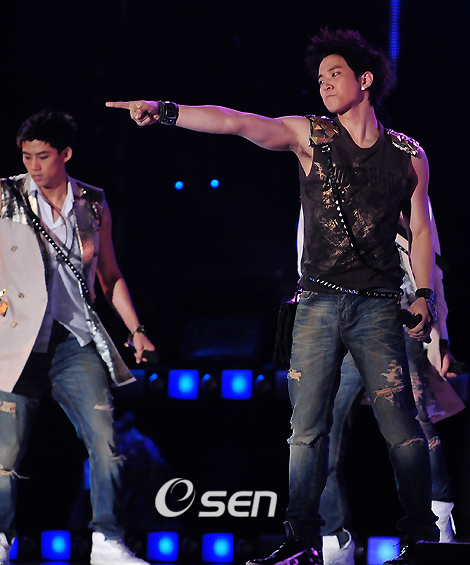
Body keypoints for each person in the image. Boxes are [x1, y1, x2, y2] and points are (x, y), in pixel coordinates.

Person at [106, 28, 440, 565]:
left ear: (365, 80)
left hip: (379, 304)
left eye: (335, 74)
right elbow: (236, 122)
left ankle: (421, 538)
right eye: (320, 77)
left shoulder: (407, 154)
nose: (324, 84)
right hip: (318, 303)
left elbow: (420, 230)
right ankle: (303, 542)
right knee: (305, 430)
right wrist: (166, 112)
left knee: (400, 424)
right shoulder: (311, 135)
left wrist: (424, 294)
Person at [0, 109, 156, 565]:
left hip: (74, 339)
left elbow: (109, 275)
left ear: (65, 154)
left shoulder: (92, 203)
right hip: (18, 341)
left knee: (105, 440)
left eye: (43, 156)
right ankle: (1, 538)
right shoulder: (6, 196)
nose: (34, 166)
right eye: (27, 156)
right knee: (6, 450)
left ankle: (107, 541)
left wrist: (137, 330)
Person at [307, 209, 466, 565]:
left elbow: (430, 264)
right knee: (321, 431)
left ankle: (435, 527)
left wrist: (440, 337)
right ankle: (334, 542)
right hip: (338, 320)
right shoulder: (317, 184)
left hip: (398, 317)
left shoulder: (404, 182)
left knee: (412, 426)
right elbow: (306, 257)